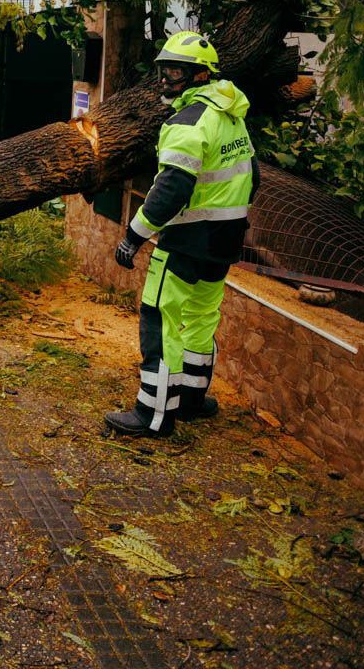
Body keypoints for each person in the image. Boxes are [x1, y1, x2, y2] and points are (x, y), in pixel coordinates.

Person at [106, 30, 258, 438]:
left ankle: (153, 415)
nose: (165, 79)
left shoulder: (187, 121)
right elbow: (252, 176)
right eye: (163, 69)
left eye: (175, 71)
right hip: (225, 241)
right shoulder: (230, 115)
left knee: (160, 319)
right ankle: (191, 399)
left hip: (186, 241)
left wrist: (133, 236)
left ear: (199, 75)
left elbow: (171, 189)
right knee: (202, 317)